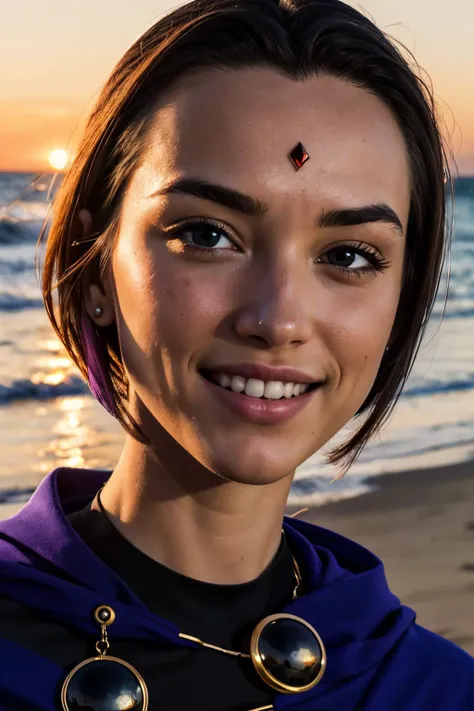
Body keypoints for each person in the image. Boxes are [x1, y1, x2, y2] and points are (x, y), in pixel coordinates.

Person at [0, 0, 472, 709]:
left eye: (348, 254)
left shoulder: (431, 688)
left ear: (402, 298)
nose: (277, 318)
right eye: (207, 234)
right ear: (93, 268)